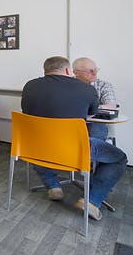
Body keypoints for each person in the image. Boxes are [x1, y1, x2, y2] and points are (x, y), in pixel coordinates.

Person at [21, 56, 127, 220]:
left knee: (39, 144)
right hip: (73, 148)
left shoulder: (29, 85)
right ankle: (92, 200)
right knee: (119, 158)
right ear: (68, 70)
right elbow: (91, 114)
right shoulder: (86, 89)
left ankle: (53, 186)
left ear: (45, 70)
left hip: (35, 147)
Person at [73, 57, 117, 140]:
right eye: (90, 71)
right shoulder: (67, 84)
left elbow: (112, 106)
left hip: (95, 121)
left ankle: (89, 149)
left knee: (95, 131)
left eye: (95, 70)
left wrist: (92, 108)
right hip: (71, 121)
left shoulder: (104, 85)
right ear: (76, 72)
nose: (94, 73)